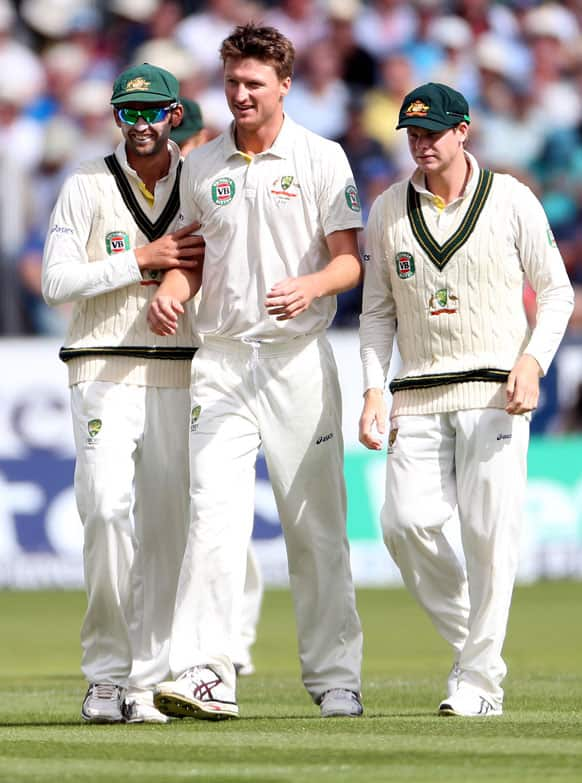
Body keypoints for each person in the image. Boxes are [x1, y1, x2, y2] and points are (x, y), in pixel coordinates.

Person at [148, 22, 364, 720]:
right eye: (232, 82)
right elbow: (190, 260)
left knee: (316, 526)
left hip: (296, 359)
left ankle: (336, 677)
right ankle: (208, 671)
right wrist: (168, 297)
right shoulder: (202, 166)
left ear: (284, 86)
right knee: (212, 517)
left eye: (253, 84)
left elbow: (348, 258)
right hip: (221, 361)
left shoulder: (322, 157)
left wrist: (314, 286)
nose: (240, 95)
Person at [359, 82, 574, 717]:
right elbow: (376, 315)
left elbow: (557, 293)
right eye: (413, 133)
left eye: (433, 131)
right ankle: (477, 651)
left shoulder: (510, 200)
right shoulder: (387, 210)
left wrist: (532, 361)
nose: (421, 143)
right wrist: (374, 388)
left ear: (464, 131)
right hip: (418, 392)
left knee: (489, 537)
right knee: (404, 524)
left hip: (495, 393)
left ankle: (478, 684)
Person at [41, 63, 204, 724]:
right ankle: (105, 674)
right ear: (117, 117)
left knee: (167, 529)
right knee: (106, 509)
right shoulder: (84, 182)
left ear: (172, 115)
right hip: (102, 365)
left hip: (179, 369)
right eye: (128, 112)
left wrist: (173, 279)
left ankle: (148, 678)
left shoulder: (199, 182)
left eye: (152, 111)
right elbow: (56, 281)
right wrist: (140, 260)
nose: (140, 124)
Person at [170, 95, 263, 677]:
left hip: (225, 357)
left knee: (220, 510)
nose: (188, 150)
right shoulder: (179, 185)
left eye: (193, 138)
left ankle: (234, 637)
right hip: (175, 362)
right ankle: (192, 636)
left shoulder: (221, 177)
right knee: (198, 510)